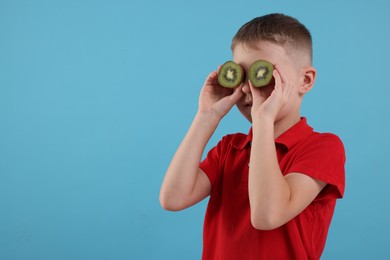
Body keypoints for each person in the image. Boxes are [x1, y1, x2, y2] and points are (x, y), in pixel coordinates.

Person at [159, 13, 345, 260]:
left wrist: (263, 120)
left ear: (305, 80)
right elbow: (173, 198)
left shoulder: (323, 147)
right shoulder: (230, 148)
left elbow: (267, 215)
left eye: (263, 73)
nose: (247, 88)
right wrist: (206, 117)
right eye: (241, 76)